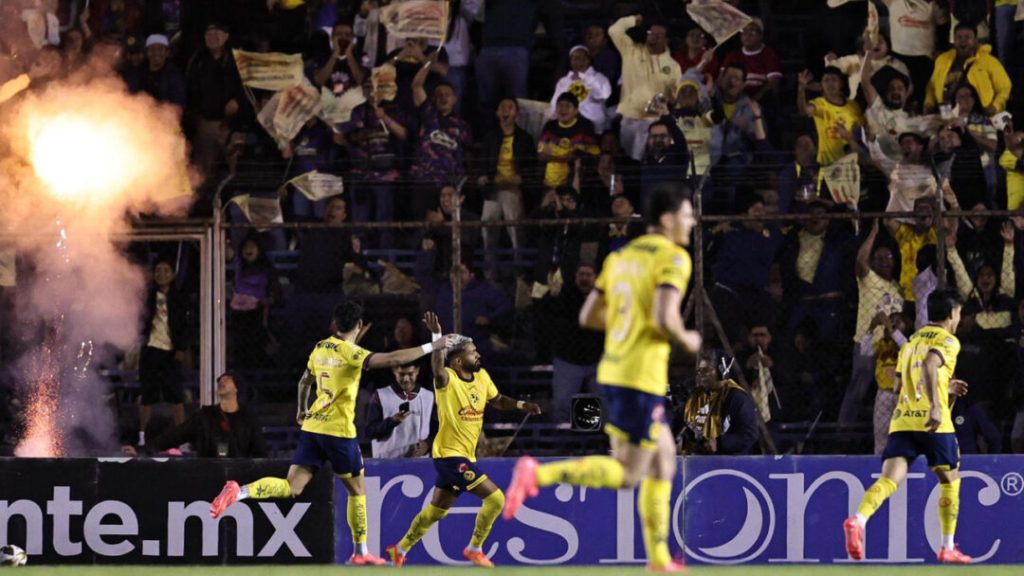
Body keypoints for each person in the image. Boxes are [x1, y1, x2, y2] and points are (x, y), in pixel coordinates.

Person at [504, 182, 702, 572]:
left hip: (615, 368)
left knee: (664, 458)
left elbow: (589, 316)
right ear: (666, 219)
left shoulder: (621, 256)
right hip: (640, 377)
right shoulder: (674, 258)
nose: (692, 220)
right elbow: (666, 318)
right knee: (630, 474)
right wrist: (688, 338)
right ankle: (538, 473)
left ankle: (659, 558)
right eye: (686, 214)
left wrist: (628, 321)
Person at [209, 304, 455, 565]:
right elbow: (393, 359)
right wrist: (433, 345)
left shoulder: (320, 348)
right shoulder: (353, 353)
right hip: (338, 432)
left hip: (313, 428)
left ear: (335, 324)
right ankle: (360, 553)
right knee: (358, 489)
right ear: (358, 325)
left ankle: (240, 492)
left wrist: (302, 410)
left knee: (292, 487)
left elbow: (304, 381)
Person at [385, 323, 541, 568]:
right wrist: (437, 338)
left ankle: (400, 549)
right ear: (457, 361)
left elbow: (497, 400)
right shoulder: (447, 379)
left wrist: (522, 405)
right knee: (496, 499)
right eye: (471, 351)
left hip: (465, 456)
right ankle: (474, 549)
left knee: (437, 511)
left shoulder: (482, 377)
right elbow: (436, 368)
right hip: (449, 456)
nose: (477, 354)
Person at [844, 290, 972, 564]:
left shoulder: (911, 342)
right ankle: (947, 547)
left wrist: (943, 386)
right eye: (959, 313)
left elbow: (900, 385)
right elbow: (930, 364)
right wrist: (938, 404)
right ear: (952, 314)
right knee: (951, 481)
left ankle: (858, 519)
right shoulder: (948, 341)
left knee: (889, 480)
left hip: (902, 420)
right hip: (933, 422)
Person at [153, 373, 268, 458]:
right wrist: (150, 447)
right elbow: (176, 435)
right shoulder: (205, 416)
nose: (222, 381)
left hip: (239, 479)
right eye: (220, 380)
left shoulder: (248, 419)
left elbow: (260, 453)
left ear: (237, 388)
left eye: (227, 379)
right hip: (208, 474)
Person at [138, 259, 188, 447]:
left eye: (166, 270)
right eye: (158, 270)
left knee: (176, 395)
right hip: (150, 348)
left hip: (171, 351)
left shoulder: (179, 297)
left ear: (173, 275)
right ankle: (142, 436)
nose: (161, 274)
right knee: (147, 394)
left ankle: (183, 438)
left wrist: (182, 347)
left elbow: (184, 325)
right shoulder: (148, 296)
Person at [679, 349, 759, 456]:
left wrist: (719, 443)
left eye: (706, 370)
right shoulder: (694, 397)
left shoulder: (737, 397)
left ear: (721, 370)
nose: (701, 375)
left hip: (729, 462)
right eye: (699, 371)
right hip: (695, 460)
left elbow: (749, 434)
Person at [365, 363, 434, 459]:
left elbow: (441, 429)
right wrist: (392, 421)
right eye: (401, 374)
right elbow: (370, 432)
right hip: (386, 462)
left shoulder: (429, 396)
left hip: (418, 464)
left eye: (410, 374)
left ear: (417, 371)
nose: (406, 379)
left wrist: (428, 444)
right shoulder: (380, 395)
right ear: (394, 371)